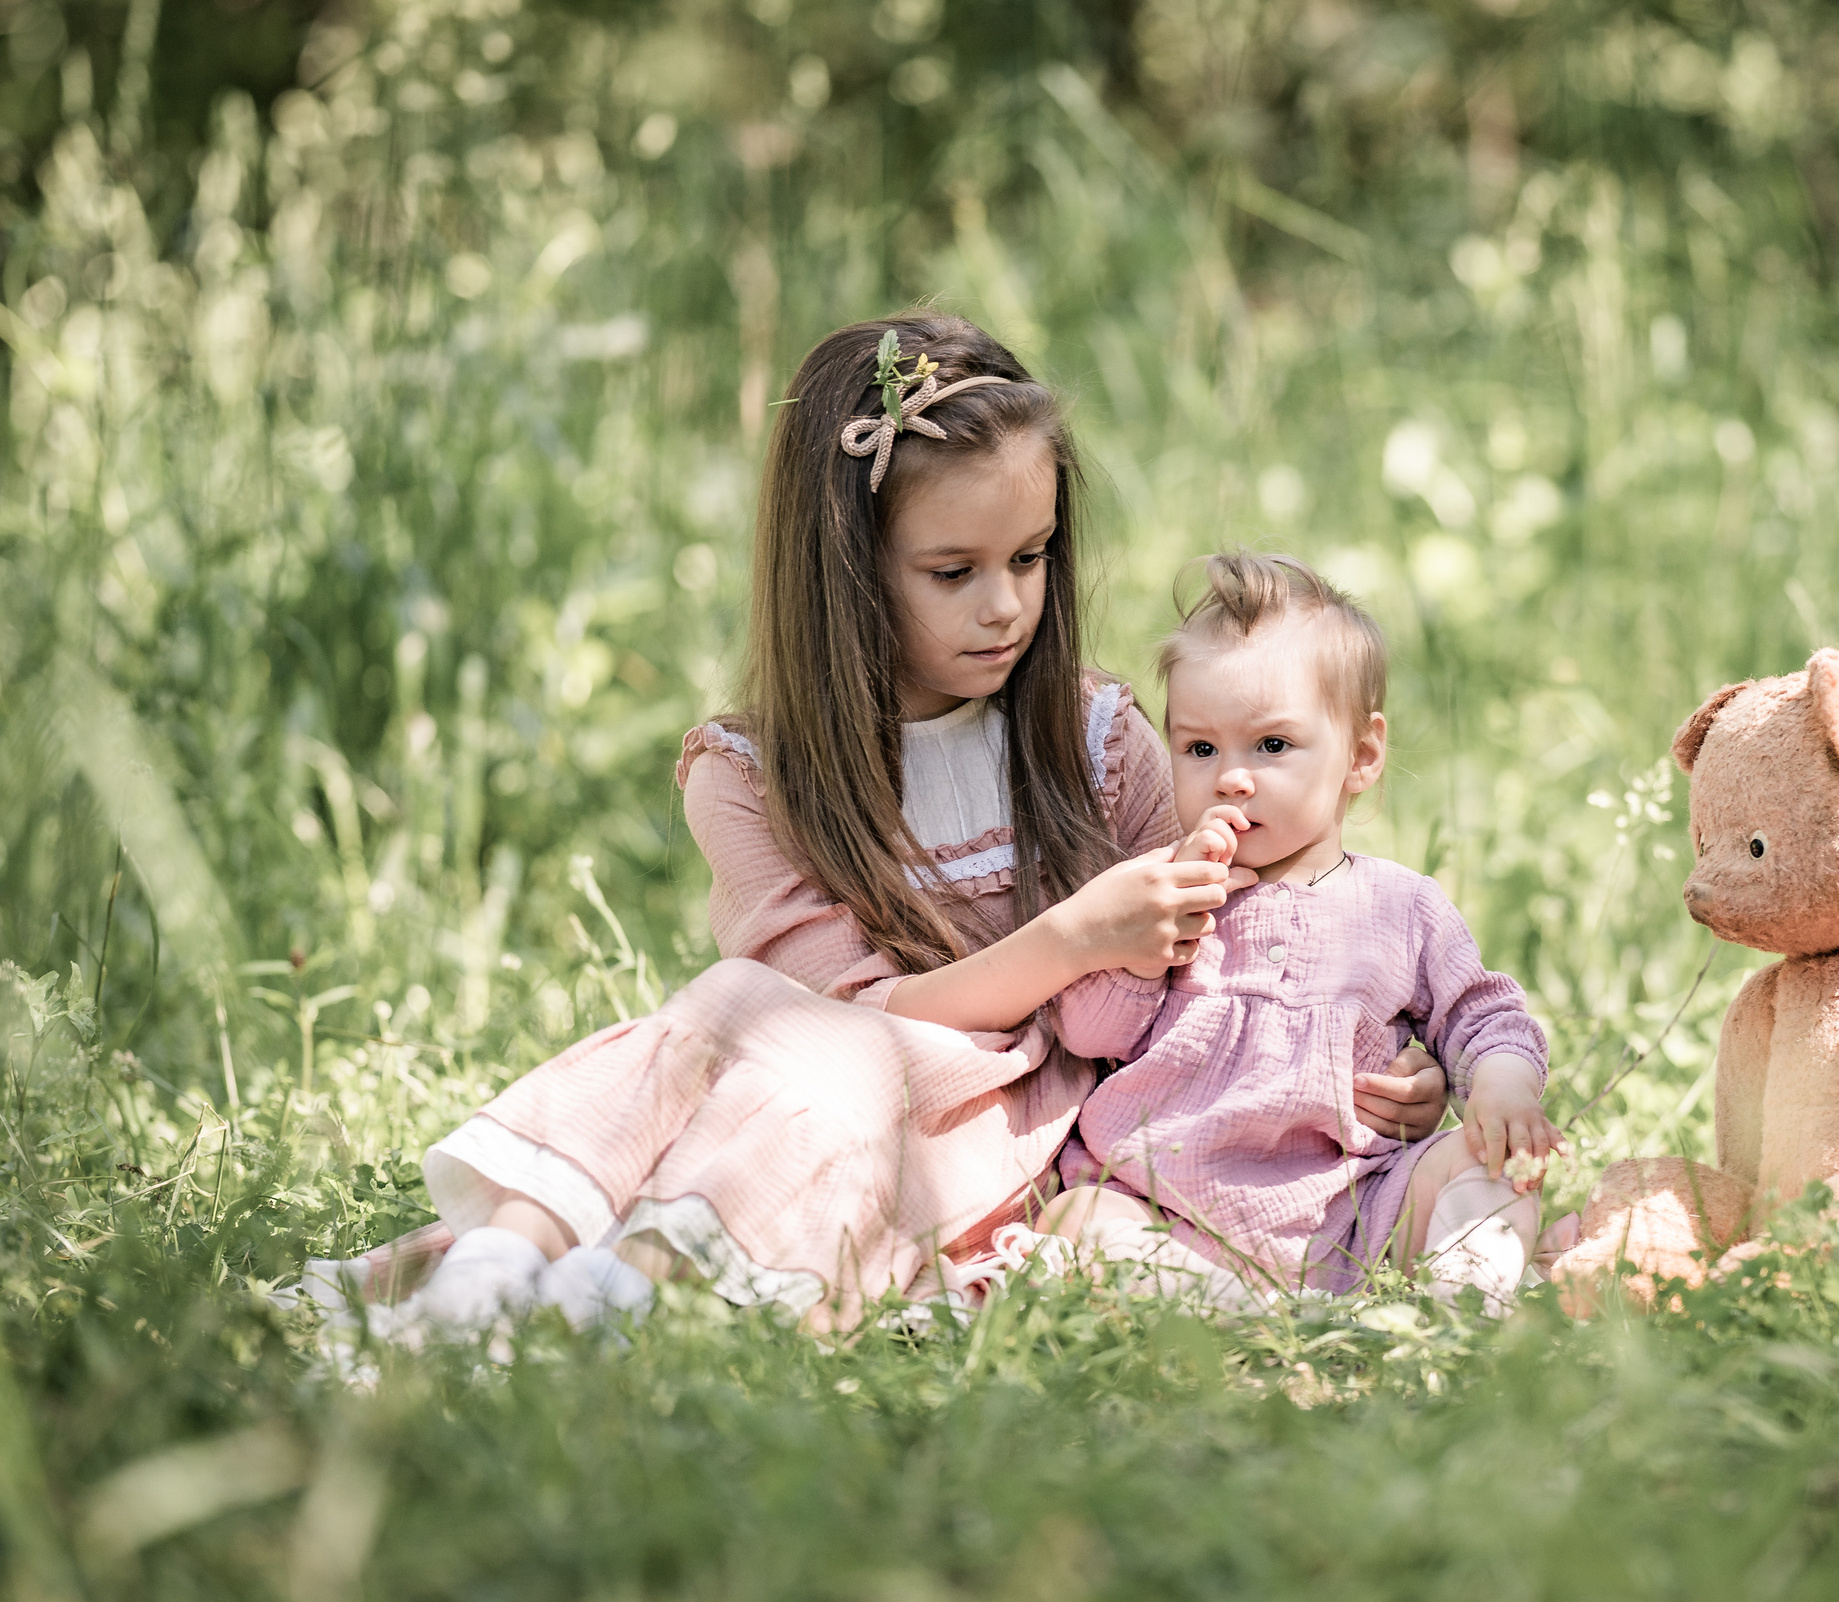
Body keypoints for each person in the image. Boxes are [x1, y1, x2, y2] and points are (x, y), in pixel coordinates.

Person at [341, 315, 1448, 1337]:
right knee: (735, 1007)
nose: (1006, 605)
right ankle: (505, 1258)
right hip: (823, 1073)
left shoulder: (1094, 735)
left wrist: (1372, 1062)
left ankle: (618, 1296)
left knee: (767, 1044)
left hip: (992, 1132)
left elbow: (1244, 942)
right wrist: (1073, 938)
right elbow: (838, 1015)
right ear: (846, 569)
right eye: (953, 571)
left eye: (1030, 558)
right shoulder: (751, 778)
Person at [1036, 550, 1564, 1308]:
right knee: (1078, 1218)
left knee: (1489, 1165)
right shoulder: (1161, 891)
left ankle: (1464, 1303)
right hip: (1171, 1205)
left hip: (1357, 1210)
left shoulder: (1401, 906)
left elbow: (1483, 1017)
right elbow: (1089, 1030)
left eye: (1272, 745)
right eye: (1200, 748)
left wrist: (1501, 1085)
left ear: (1362, 755)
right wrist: (1153, 940)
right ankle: (1232, 1312)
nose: (1231, 777)